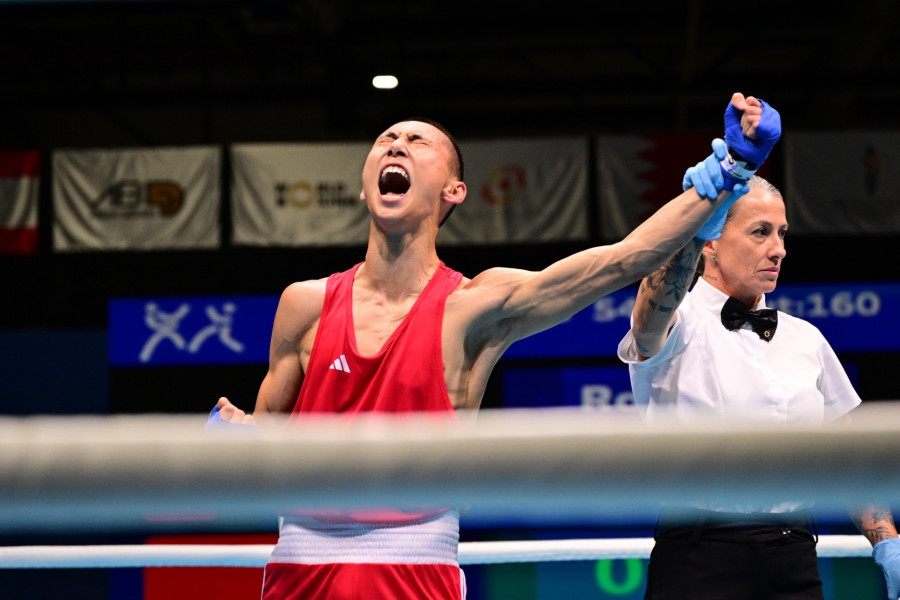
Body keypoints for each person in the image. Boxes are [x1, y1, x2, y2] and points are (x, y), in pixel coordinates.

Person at [209, 93, 771, 600]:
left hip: (414, 571)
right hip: (299, 569)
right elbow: (266, 455)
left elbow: (619, 261)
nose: (396, 145)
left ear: (453, 190)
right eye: (386, 139)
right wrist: (239, 445)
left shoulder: (475, 306)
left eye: (417, 141)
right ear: (364, 186)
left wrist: (729, 170)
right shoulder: (304, 304)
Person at [617, 115, 900, 598]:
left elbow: (847, 455)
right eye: (760, 232)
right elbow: (647, 315)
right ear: (712, 241)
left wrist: (887, 540)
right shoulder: (679, 322)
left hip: (794, 556)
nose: (778, 249)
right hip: (698, 558)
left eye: (783, 233)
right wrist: (692, 224)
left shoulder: (806, 338)